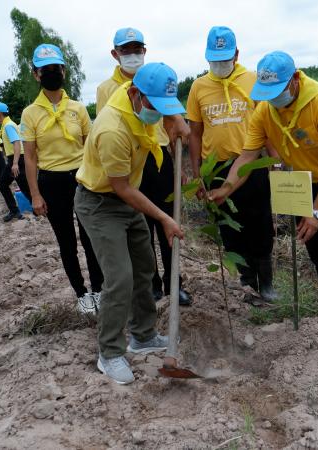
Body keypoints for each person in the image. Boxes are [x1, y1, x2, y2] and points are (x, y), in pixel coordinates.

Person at [208, 51, 318, 356]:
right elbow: (247, 156)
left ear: (294, 79)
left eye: (277, 91)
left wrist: (317, 211)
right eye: (267, 93)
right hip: (304, 181)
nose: (273, 99)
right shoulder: (265, 111)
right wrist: (225, 189)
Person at [75, 63, 185, 384]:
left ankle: (143, 335)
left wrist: (177, 120)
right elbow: (122, 188)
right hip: (100, 203)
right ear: (135, 94)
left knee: (145, 266)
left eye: (165, 107)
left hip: (126, 198)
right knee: (120, 277)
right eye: (155, 106)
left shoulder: (138, 97)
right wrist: (164, 217)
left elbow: (168, 113)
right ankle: (109, 352)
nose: (159, 113)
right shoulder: (112, 129)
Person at [96, 27, 192, 306]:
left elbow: (173, 124)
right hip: (132, 161)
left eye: (137, 49)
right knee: (142, 227)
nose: (132, 55)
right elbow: (108, 135)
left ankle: (174, 282)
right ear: (115, 54)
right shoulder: (106, 89)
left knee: (168, 221)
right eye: (125, 50)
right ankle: (151, 284)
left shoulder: (159, 80)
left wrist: (178, 166)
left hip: (159, 157)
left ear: (144, 51)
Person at [186, 26, 276, 303]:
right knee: (230, 229)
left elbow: (269, 126)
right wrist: (197, 174)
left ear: (236, 54)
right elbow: (195, 134)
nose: (220, 64)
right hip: (217, 170)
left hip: (253, 165)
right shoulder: (198, 87)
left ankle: (267, 283)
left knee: (260, 224)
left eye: (225, 58)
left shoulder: (252, 81)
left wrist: (276, 164)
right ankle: (247, 282)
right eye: (215, 60)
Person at [22, 43, 104, 314]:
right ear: (36, 74)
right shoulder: (30, 113)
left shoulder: (78, 109)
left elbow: (90, 147)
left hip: (82, 179)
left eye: (56, 68)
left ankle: (99, 289)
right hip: (51, 182)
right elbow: (30, 158)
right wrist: (35, 194)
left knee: (90, 238)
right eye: (45, 69)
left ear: (64, 71)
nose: (51, 73)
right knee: (67, 242)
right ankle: (81, 294)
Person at [0, 102, 31, 222]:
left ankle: (40, 208)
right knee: (5, 184)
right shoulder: (6, 125)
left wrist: (15, 163)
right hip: (15, 159)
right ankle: (15, 211)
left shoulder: (8, 125)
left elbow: (17, 143)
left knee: (25, 187)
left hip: (17, 159)